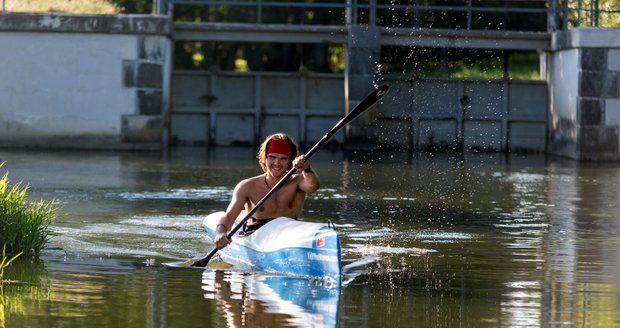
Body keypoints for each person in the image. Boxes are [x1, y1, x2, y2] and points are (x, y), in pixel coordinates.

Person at [214, 133, 320, 249]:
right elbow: (229, 217)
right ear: (264, 157)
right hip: (256, 236)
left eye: (283, 158)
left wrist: (307, 169)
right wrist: (220, 232)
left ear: (290, 160)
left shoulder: (298, 181)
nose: (277, 163)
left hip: (288, 234)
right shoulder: (247, 186)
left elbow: (313, 186)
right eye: (272, 157)